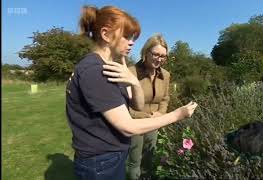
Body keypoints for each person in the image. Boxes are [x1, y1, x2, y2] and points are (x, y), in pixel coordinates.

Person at [66, 5, 198, 180]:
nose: (132, 42)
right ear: (106, 34)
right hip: (100, 162)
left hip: (109, 157)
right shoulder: (95, 71)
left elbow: (136, 104)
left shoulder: (110, 68)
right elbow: (127, 127)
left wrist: (134, 83)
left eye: (133, 37)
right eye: (127, 36)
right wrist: (178, 114)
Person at [126, 34, 171, 180]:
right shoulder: (130, 72)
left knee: (149, 158)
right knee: (134, 161)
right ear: (146, 52)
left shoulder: (166, 75)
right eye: (156, 54)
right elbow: (124, 102)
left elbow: (165, 98)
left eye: (163, 56)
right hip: (135, 123)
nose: (159, 59)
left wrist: (161, 113)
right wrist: (144, 117)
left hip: (154, 123)